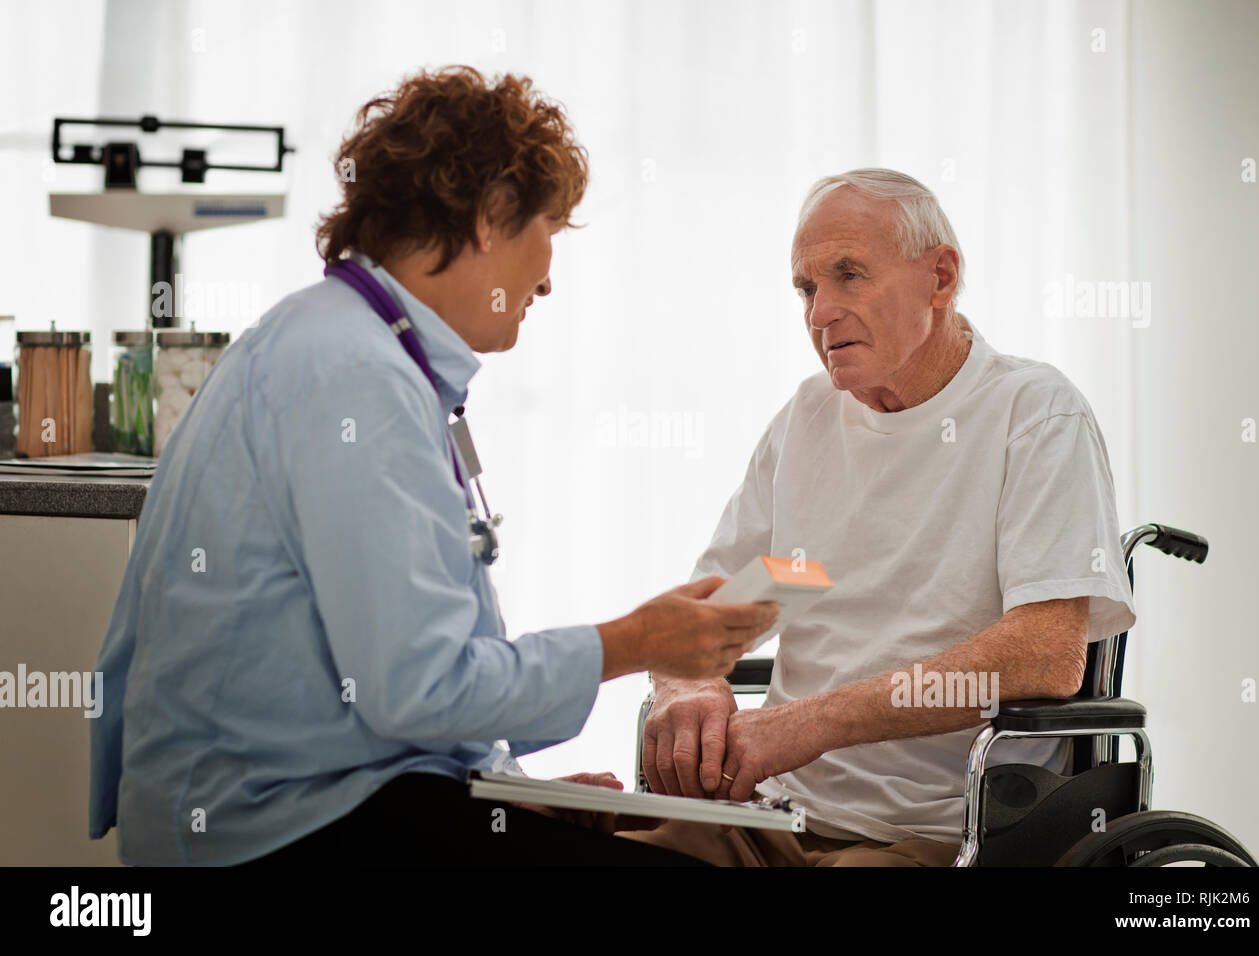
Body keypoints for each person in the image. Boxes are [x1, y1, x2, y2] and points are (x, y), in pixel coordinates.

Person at [89, 66, 776, 867]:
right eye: (547, 230)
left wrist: (504, 782)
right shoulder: (356, 379)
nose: (547, 279)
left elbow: (388, 685)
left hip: (305, 800)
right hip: (278, 832)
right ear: (490, 218)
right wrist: (634, 642)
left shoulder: (332, 343)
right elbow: (417, 688)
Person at [621, 169, 1137, 866]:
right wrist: (688, 686)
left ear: (941, 277)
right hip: (771, 816)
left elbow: (1043, 653)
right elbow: (733, 608)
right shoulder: (809, 422)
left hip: (935, 831)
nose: (819, 313)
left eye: (849, 276)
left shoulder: (1033, 413)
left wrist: (812, 723)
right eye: (806, 288)